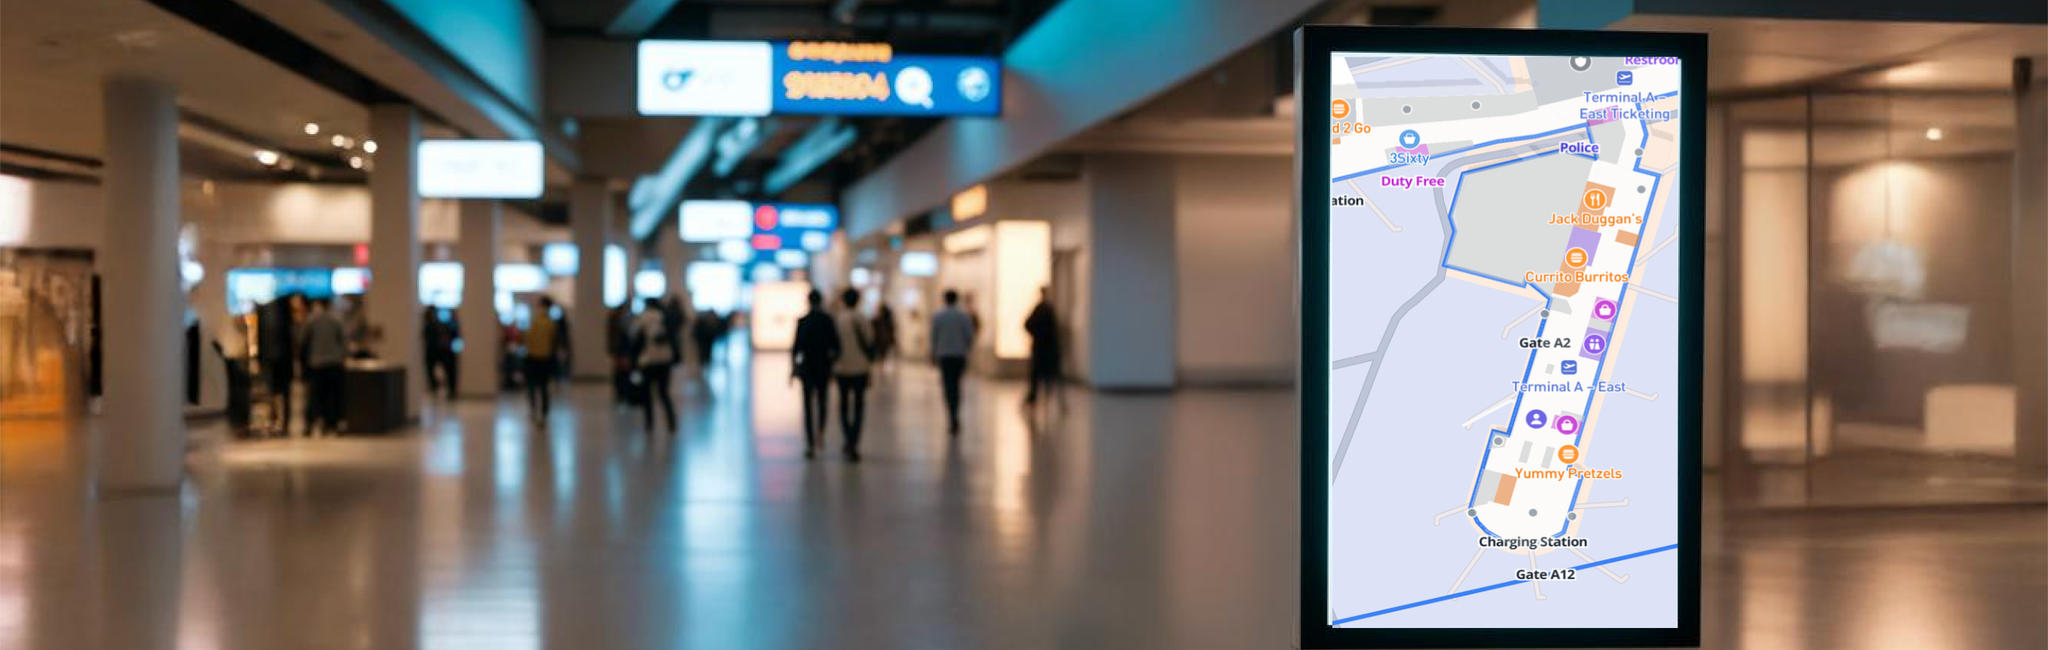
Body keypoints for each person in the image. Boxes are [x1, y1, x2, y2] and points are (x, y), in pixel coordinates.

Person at [790, 289, 840, 459]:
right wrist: (831, 362)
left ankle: (810, 443)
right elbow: (836, 346)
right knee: (822, 402)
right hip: (823, 368)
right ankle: (820, 434)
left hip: (807, 368)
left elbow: (796, 348)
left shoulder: (803, 321)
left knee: (807, 406)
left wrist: (793, 369)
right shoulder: (828, 320)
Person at [832, 288, 876, 461]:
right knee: (858, 406)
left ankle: (847, 437)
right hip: (860, 368)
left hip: (842, 368)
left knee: (843, 405)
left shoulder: (839, 319)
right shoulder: (862, 319)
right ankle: (854, 441)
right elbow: (870, 341)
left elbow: (834, 344)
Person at [299, 297, 349, 436]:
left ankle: (310, 425)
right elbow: (344, 342)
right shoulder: (336, 320)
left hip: (317, 363)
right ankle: (331, 424)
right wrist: (342, 356)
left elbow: (303, 342)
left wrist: (304, 362)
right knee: (333, 396)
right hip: (334, 363)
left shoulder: (312, 320)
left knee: (314, 396)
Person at [930, 289, 976, 435]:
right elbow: (969, 336)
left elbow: (934, 337)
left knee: (948, 386)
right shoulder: (963, 316)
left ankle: (952, 414)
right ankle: (955, 414)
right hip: (959, 355)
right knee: (956, 385)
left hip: (945, 356)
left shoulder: (938, 316)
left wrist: (933, 354)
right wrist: (966, 350)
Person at [631, 297, 679, 433]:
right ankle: (671, 422)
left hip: (648, 360)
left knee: (646, 393)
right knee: (664, 393)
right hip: (665, 360)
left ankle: (649, 423)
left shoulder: (642, 318)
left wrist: (634, 359)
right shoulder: (665, 317)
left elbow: (636, 339)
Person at [525, 295, 567, 421]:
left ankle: (533, 409)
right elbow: (554, 342)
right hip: (546, 359)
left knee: (532, 386)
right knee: (543, 387)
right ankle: (544, 413)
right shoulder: (551, 324)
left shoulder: (535, 322)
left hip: (533, 358)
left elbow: (528, 339)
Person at [1024, 286, 1063, 408]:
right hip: (1045, 348)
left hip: (1042, 347)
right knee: (1046, 375)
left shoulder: (1043, 308)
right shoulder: (1044, 308)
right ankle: (1036, 398)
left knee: (1039, 375)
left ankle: (1035, 398)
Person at [423, 306, 460, 399]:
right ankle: (435, 388)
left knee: (450, 371)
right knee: (432, 371)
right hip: (434, 352)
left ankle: (451, 390)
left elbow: (456, 338)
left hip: (447, 352)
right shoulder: (430, 326)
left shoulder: (450, 325)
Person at [872, 302, 897, 374]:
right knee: (883, 354)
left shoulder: (879, 320)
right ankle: (881, 366)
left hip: (881, 340)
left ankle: (881, 366)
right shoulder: (886, 320)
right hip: (884, 340)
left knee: (882, 354)